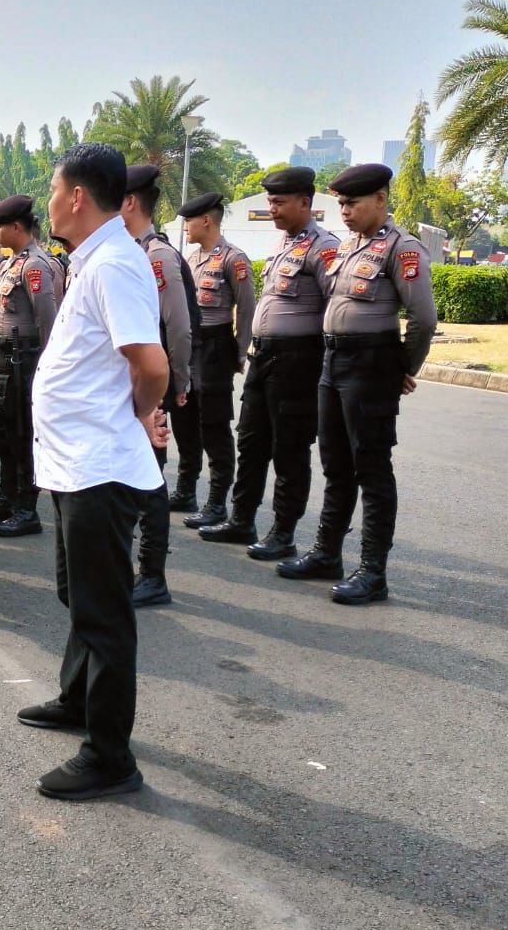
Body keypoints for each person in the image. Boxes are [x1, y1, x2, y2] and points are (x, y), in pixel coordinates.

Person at [19, 143, 169, 801]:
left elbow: (153, 364)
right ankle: (78, 700)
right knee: (79, 597)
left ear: (77, 196)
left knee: (104, 615)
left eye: (54, 189)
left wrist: (139, 415)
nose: (48, 201)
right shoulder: (94, 260)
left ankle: (110, 756)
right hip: (76, 464)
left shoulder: (114, 264)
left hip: (101, 468)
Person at [277, 163, 437, 604]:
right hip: (333, 361)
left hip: (371, 364)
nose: (344, 211)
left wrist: (403, 367)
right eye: (341, 203)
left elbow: (423, 319)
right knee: (335, 464)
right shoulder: (348, 246)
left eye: (353, 202)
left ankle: (373, 571)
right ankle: (327, 553)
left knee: (371, 468)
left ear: (381, 199)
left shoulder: (402, 248)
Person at [200, 167, 337, 560]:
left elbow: (333, 308)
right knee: (251, 441)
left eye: (279, 202)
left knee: (290, 448)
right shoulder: (283, 244)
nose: (272, 209)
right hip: (265, 357)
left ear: (304, 203)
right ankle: (242, 519)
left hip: (297, 361)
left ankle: (284, 531)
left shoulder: (322, 248)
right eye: (270, 202)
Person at [121, 164, 196, 606]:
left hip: (156, 382)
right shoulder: (132, 252)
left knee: (150, 478)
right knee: (136, 474)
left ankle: (153, 575)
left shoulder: (156, 255)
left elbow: (179, 328)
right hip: (135, 383)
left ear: (130, 202)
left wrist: (178, 383)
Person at [0, 193, 61, 537]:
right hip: (4, 359)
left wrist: (45, 368)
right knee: (5, 432)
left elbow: (47, 321)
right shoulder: (11, 263)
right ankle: (6, 498)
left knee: (23, 435)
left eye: (0, 226)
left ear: (17, 227)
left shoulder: (36, 265)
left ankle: (26, 508)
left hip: (25, 361)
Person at [177, 193, 255, 529]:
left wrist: (239, 351)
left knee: (214, 426)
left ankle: (216, 502)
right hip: (190, 346)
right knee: (184, 419)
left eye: (190, 220)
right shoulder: (190, 259)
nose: (186, 227)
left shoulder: (233, 258)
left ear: (206, 220)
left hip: (215, 346)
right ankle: (185, 490)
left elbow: (247, 309)